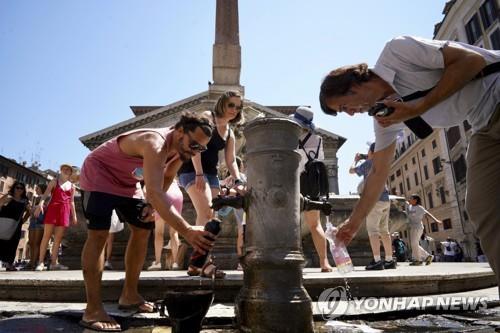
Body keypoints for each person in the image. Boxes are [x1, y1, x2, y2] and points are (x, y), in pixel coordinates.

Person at [319, 36, 500, 291]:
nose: (350, 113)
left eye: (344, 106)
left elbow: (472, 60)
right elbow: (378, 173)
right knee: (481, 206)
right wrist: (353, 224)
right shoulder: (385, 117)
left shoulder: (397, 51)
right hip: (482, 124)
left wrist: (418, 107)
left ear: (352, 86)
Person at [77, 111, 215, 332]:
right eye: (194, 144)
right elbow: (154, 191)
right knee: (99, 234)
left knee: (143, 228)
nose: (195, 150)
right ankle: (92, 309)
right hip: (99, 174)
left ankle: (129, 294)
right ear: (180, 130)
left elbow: (167, 176)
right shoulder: (154, 142)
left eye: (201, 148)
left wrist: (151, 203)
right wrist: (187, 230)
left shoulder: (181, 149)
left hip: (127, 183)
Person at [177, 91, 245, 277]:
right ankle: (205, 264)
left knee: (210, 216)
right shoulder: (208, 117)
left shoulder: (230, 130)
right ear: (222, 103)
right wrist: (199, 173)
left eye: (238, 107)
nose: (234, 110)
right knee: (206, 211)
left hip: (211, 174)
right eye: (231, 105)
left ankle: (195, 263)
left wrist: (238, 180)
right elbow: (196, 145)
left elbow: (231, 160)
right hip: (192, 169)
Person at [290, 107, 333, 272]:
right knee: (315, 225)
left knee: (291, 225)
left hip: (293, 182)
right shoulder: (319, 140)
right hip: (312, 184)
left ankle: (293, 262)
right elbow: (319, 160)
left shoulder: (290, 139)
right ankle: (324, 262)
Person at [350, 142, 395, 270]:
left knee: (373, 231)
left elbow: (351, 171)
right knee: (384, 231)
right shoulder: (384, 162)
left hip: (374, 200)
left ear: (371, 152)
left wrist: (355, 160)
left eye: (368, 151)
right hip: (386, 200)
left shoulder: (367, 164)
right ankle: (389, 260)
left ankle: (377, 261)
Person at [34, 164, 78, 271]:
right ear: (61, 170)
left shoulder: (72, 186)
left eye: (69, 169)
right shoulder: (54, 181)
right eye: (64, 168)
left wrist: (74, 215)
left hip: (65, 211)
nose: (66, 170)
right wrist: (40, 204)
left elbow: (72, 202)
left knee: (58, 239)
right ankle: (40, 262)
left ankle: (54, 263)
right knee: (46, 236)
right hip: (53, 209)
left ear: (71, 172)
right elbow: (45, 195)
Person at [147, 179, 183, 271]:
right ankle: (175, 263)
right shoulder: (173, 169)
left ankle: (157, 262)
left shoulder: (154, 167)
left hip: (163, 192)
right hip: (177, 193)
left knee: (159, 232)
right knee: (174, 232)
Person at [0, 182, 31, 271]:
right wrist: (6, 198)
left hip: (16, 225)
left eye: (21, 188)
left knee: (13, 244)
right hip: (3, 222)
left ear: (23, 190)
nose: (19, 190)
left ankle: (9, 265)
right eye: (17, 187)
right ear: (13, 188)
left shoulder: (25, 200)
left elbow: (29, 212)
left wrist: (23, 220)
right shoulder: (8, 197)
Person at [404, 194, 442, 265]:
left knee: (414, 244)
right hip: (412, 227)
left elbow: (427, 213)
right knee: (414, 244)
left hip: (418, 227)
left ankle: (418, 260)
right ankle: (427, 256)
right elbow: (405, 203)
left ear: (415, 200)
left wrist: (436, 220)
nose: (410, 199)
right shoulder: (409, 206)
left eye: (411, 198)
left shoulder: (419, 208)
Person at [25, 183, 48, 270]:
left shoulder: (45, 198)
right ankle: (31, 262)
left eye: (37, 188)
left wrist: (30, 209)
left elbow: (42, 211)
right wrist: (29, 208)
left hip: (40, 223)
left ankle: (34, 263)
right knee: (31, 243)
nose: (36, 190)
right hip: (33, 222)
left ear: (42, 189)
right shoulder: (35, 199)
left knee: (36, 243)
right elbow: (33, 213)